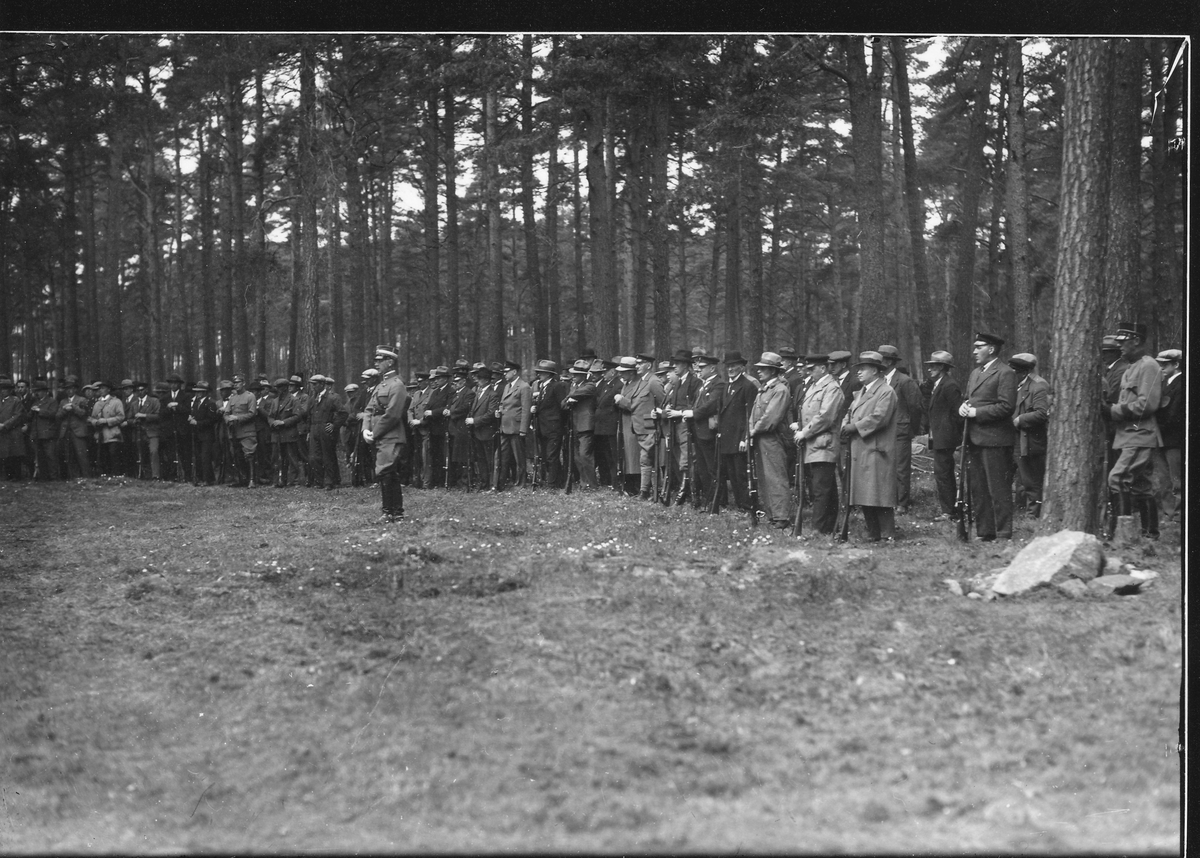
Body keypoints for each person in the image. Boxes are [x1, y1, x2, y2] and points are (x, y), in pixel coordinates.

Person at [1106, 321, 1164, 539]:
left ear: (1137, 341)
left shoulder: (1148, 366)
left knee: (1118, 479)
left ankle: (1124, 535)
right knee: (1141, 485)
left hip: (1139, 435)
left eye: (1124, 342)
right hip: (1130, 435)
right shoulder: (1132, 367)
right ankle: (1151, 533)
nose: (1119, 346)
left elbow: (1147, 404)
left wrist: (1113, 411)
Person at [957, 332, 1016, 541]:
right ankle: (985, 531)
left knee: (998, 487)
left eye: (978, 347)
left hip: (996, 439)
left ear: (991, 349)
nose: (974, 351)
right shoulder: (975, 373)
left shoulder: (1005, 373)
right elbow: (970, 398)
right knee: (979, 488)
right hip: (974, 437)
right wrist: (964, 407)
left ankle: (1003, 532)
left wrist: (977, 413)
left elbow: (1007, 406)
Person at [840, 351, 900, 542]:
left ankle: (887, 533)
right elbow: (849, 412)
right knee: (866, 492)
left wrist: (854, 427)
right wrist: (844, 424)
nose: (858, 372)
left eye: (863, 368)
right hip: (861, 448)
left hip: (876, 449)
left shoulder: (886, 392)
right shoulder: (861, 392)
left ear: (875, 370)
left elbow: (879, 418)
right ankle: (873, 532)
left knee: (879, 493)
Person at [791, 353, 844, 535]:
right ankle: (830, 526)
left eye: (812, 369)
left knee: (821, 489)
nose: (809, 372)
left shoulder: (832, 388)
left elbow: (825, 417)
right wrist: (800, 426)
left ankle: (818, 529)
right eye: (807, 369)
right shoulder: (814, 386)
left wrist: (804, 432)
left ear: (823, 368)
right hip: (813, 443)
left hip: (823, 443)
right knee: (824, 488)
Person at [362, 345, 410, 521]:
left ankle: (394, 512)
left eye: (380, 360)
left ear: (390, 362)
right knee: (384, 473)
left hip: (390, 435)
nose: (376, 363)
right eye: (376, 360)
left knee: (387, 472)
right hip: (379, 436)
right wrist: (365, 429)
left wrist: (373, 432)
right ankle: (389, 511)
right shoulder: (381, 384)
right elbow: (369, 409)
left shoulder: (397, 385)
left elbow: (393, 415)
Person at [877, 345, 923, 514]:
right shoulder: (880, 380)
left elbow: (916, 407)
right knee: (885, 466)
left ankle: (902, 503)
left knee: (901, 468)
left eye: (880, 360)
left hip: (901, 430)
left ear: (888, 361)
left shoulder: (904, 381)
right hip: (883, 431)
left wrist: (911, 430)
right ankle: (888, 500)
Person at [748, 352, 792, 529]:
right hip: (760, 438)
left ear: (773, 371)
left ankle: (781, 516)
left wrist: (754, 430)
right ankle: (772, 514)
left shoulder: (780, 390)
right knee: (765, 477)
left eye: (764, 369)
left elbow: (771, 417)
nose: (760, 372)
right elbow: (754, 413)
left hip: (773, 438)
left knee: (776, 476)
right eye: (759, 369)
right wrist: (752, 430)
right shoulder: (765, 389)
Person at [614, 353, 665, 500]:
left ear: (648, 365)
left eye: (640, 363)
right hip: (641, 427)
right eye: (636, 363)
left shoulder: (653, 381)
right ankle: (645, 491)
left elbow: (662, 401)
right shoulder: (643, 381)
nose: (637, 366)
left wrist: (658, 416)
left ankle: (654, 491)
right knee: (645, 460)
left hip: (650, 425)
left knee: (650, 460)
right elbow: (637, 404)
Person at [920, 351, 963, 521]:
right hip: (939, 436)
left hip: (946, 438)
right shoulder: (937, 384)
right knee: (942, 473)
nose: (930, 369)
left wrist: (950, 433)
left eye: (934, 366)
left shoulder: (949, 385)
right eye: (929, 365)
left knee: (943, 473)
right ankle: (949, 508)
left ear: (943, 368)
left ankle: (949, 511)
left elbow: (957, 413)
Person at [1009, 353, 1051, 517]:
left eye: (1015, 371)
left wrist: (1020, 419)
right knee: (1021, 477)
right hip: (1016, 439)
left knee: (1031, 479)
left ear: (1023, 372)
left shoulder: (1038, 386)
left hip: (1031, 440)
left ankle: (1033, 514)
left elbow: (1042, 413)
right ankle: (1022, 509)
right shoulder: (1018, 386)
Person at [716, 351, 756, 511]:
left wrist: (745, 438)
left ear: (741, 366)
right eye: (728, 366)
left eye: (734, 366)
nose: (730, 369)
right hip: (726, 437)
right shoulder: (727, 386)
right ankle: (740, 505)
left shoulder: (748, 386)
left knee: (741, 475)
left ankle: (747, 506)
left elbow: (751, 415)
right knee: (732, 474)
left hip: (739, 439)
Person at [684, 352, 724, 509]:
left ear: (712, 368)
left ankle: (717, 500)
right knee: (702, 468)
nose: (698, 370)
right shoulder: (703, 385)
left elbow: (711, 405)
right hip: (698, 431)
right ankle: (709, 499)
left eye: (702, 367)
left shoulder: (718, 384)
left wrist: (693, 413)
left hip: (708, 432)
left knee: (712, 468)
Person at [663, 348, 701, 503]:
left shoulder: (695, 382)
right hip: (675, 426)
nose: (675, 367)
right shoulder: (677, 383)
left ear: (686, 365)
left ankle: (690, 492)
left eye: (678, 364)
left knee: (687, 460)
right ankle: (683, 489)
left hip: (687, 426)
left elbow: (696, 406)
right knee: (678, 458)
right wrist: (668, 410)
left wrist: (680, 413)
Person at [1153, 348, 1183, 523]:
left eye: (1165, 364)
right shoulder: (1165, 383)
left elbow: (1175, 415)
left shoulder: (1181, 384)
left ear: (1176, 365)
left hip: (1174, 438)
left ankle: (1178, 515)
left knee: (1176, 478)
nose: (1161, 367)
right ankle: (1168, 512)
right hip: (1163, 437)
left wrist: (1159, 427)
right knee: (1164, 478)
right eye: (1160, 364)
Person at [493, 360, 532, 491]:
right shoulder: (507, 386)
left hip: (516, 428)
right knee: (500, 456)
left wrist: (523, 429)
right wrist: (499, 411)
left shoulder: (524, 387)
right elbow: (504, 404)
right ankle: (498, 484)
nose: (504, 374)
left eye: (506, 372)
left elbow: (526, 410)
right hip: (504, 427)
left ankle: (521, 484)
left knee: (519, 458)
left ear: (514, 372)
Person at [531, 360, 568, 488]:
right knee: (547, 456)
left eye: (541, 372)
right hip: (543, 427)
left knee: (552, 456)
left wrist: (559, 424)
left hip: (553, 428)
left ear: (548, 374)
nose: (538, 374)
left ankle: (552, 484)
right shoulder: (543, 387)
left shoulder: (556, 386)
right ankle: (558, 480)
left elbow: (562, 406)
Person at [562, 359, 598, 489]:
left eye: (576, 374)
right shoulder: (574, 386)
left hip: (586, 425)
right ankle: (584, 483)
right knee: (577, 457)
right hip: (575, 425)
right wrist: (569, 399)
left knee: (585, 455)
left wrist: (570, 398)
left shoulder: (590, 386)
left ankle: (592, 484)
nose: (573, 376)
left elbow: (575, 395)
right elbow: (563, 404)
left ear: (583, 375)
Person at [310, 374, 349, 489]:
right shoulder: (313, 398)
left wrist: (334, 425)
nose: (313, 387)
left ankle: (329, 482)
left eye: (315, 384)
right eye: (312, 384)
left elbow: (343, 413)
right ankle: (318, 481)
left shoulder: (332, 398)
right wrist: (309, 430)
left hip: (325, 429)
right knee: (314, 457)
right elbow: (308, 414)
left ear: (322, 384)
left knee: (328, 456)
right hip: (314, 429)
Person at [466, 362, 499, 489]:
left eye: (479, 379)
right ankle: (484, 483)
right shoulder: (478, 393)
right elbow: (474, 409)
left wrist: (474, 421)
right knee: (481, 459)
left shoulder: (492, 394)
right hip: (478, 431)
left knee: (489, 459)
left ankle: (491, 484)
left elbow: (491, 414)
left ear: (486, 380)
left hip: (487, 432)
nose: (477, 381)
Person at [267, 377, 304, 487]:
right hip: (276, 434)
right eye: (277, 388)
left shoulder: (294, 400)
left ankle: (294, 480)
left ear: (286, 388)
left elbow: (298, 416)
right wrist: (273, 422)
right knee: (276, 458)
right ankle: (278, 481)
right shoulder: (275, 401)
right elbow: (270, 416)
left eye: (280, 388)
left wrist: (283, 422)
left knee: (291, 457)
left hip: (289, 433)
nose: (278, 390)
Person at [224, 375, 259, 487]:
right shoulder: (232, 398)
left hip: (247, 431)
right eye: (234, 383)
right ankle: (241, 479)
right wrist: (228, 419)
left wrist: (237, 418)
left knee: (249, 455)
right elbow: (226, 413)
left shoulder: (250, 396)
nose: (236, 385)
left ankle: (252, 480)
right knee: (236, 456)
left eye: (238, 382)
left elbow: (252, 413)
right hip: (234, 431)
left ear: (243, 383)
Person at [592, 359, 621, 488]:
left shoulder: (618, 384)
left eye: (605, 371)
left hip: (611, 426)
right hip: (602, 426)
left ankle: (615, 482)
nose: (603, 374)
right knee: (605, 455)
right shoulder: (605, 384)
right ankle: (607, 480)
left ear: (613, 372)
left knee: (613, 456)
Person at [87, 380, 126, 476]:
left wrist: (106, 421)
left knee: (113, 454)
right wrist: (95, 422)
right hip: (101, 434)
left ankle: (116, 475)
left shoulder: (116, 402)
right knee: (103, 456)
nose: (101, 390)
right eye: (100, 388)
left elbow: (121, 417)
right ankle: (106, 475)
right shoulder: (97, 403)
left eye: (103, 388)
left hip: (113, 433)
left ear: (109, 390)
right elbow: (92, 418)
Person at [446, 368, 475, 487]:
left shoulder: (469, 393)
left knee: (463, 456)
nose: (455, 384)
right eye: (454, 382)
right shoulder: (455, 393)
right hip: (453, 428)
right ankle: (456, 481)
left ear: (463, 381)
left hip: (462, 428)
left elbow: (465, 408)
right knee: (455, 456)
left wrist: (451, 412)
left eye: (457, 381)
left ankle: (465, 481)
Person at [59, 377, 92, 479]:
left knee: (81, 455)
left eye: (71, 388)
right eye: (67, 389)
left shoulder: (82, 400)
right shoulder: (62, 402)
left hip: (78, 432)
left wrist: (73, 407)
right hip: (66, 431)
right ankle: (74, 477)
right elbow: (57, 416)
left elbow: (83, 414)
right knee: (69, 456)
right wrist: (64, 410)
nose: (69, 390)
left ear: (75, 389)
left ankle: (86, 477)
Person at [161, 372, 191, 481]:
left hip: (182, 429)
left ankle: (187, 476)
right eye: (171, 383)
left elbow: (188, 410)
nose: (173, 385)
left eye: (175, 383)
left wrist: (177, 406)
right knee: (170, 454)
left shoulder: (186, 396)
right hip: (169, 430)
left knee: (184, 454)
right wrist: (169, 408)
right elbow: (161, 413)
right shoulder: (165, 397)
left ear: (179, 384)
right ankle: (172, 476)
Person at [188, 381, 219, 486]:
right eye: (196, 392)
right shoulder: (196, 403)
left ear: (205, 392)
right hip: (197, 434)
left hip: (207, 434)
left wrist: (197, 422)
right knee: (198, 456)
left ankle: (207, 479)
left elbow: (212, 420)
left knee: (206, 457)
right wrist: (192, 418)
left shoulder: (210, 403)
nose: (197, 394)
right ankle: (201, 478)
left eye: (200, 392)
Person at [28, 378, 60, 480]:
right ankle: (44, 478)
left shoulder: (52, 401)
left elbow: (53, 414)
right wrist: (32, 411)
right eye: (36, 391)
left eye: (39, 391)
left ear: (45, 392)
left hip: (48, 433)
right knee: (40, 457)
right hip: (37, 434)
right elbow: (29, 417)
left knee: (51, 456)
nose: (37, 393)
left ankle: (54, 478)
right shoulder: (35, 402)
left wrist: (39, 410)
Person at [0, 376, 27, 479]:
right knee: (5, 454)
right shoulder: (0, 401)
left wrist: (5, 425)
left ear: (10, 390)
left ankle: (16, 476)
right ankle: (8, 475)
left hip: (13, 432)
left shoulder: (15, 400)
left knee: (14, 454)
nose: (2, 391)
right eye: (1, 389)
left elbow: (18, 415)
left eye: (5, 389)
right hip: (3, 433)